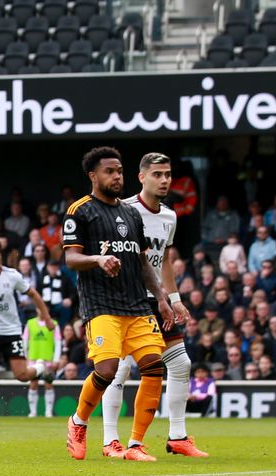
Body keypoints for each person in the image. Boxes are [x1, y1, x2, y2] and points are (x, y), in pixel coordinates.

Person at [63, 147, 174, 462]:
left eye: (120, 171)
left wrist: (162, 299)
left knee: (154, 365)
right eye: (110, 171)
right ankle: (78, 422)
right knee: (107, 370)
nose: (116, 177)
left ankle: (135, 445)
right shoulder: (80, 211)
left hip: (137, 305)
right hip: (101, 305)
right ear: (93, 176)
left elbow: (142, 263)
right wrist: (98, 259)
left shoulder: (131, 213)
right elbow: (71, 257)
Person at [100, 153, 208, 459]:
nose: (164, 180)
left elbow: (165, 261)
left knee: (180, 364)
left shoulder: (169, 216)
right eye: (158, 174)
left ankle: (177, 436)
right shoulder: (123, 210)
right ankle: (111, 441)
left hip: (157, 300)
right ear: (142, 177)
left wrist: (175, 300)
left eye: (168, 175)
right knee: (120, 369)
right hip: (127, 300)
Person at [0, 238, 55, 426]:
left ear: (0, 255)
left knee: (22, 376)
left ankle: (41, 367)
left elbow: (33, 294)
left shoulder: (12, 276)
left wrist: (47, 318)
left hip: (11, 331)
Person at [22, 312, 62, 418]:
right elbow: (25, 341)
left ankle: (48, 412)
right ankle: (33, 412)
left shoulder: (54, 324)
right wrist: (24, 358)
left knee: (48, 384)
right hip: (33, 359)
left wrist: (56, 359)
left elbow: (58, 342)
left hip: (47, 359)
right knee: (33, 384)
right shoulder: (30, 323)